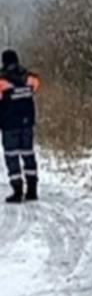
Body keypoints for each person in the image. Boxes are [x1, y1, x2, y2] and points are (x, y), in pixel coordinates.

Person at [1, 49, 40, 204]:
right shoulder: (29, 78)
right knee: (28, 154)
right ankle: (32, 189)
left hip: (9, 125)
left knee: (12, 157)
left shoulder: (2, 81)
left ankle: (17, 191)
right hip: (27, 123)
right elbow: (36, 84)